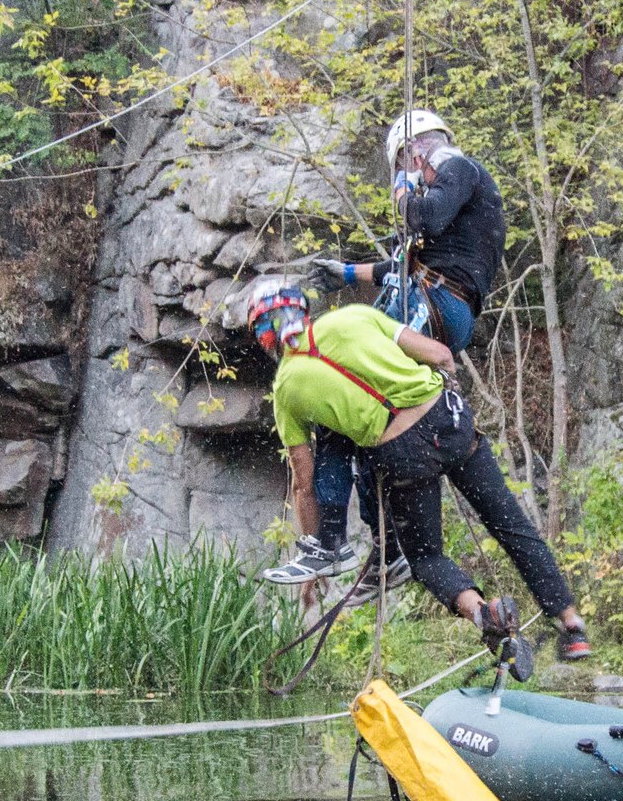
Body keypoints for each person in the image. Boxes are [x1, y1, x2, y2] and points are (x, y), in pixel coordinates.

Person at [249, 278, 590, 662]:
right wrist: (451, 393)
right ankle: (572, 625)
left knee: (426, 559)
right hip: (448, 422)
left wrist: (312, 559)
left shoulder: (286, 391)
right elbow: (441, 354)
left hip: (401, 454)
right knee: (509, 523)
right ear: (303, 309)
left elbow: (304, 484)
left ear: (264, 334)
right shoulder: (356, 317)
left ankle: (484, 613)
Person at [268, 109, 508, 585]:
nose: (406, 171)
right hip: (432, 299)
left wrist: (404, 183)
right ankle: (384, 545)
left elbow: (426, 215)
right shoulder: (447, 202)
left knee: (338, 391)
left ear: (415, 149)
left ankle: (337, 540)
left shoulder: (457, 167)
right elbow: (399, 265)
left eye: (404, 159)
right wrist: (346, 272)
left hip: (438, 306)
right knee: (355, 410)